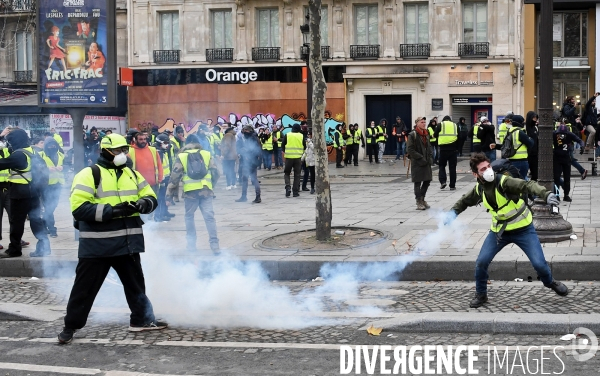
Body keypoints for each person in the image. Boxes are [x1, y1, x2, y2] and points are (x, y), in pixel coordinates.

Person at [59, 133, 166, 344]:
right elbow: (79, 209)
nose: (122, 155)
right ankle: (70, 326)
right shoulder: (89, 174)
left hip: (127, 242)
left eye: (124, 150)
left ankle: (142, 319)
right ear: (106, 151)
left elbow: (151, 196)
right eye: (117, 151)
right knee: (84, 289)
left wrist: (145, 203)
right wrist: (113, 211)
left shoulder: (132, 174)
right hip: (97, 245)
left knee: (135, 285)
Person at [448, 153, 569, 308]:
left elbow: (527, 185)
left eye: (488, 166)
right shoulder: (479, 189)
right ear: (475, 174)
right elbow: (464, 201)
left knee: (539, 264)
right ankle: (481, 294)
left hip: (523, 230)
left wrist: (546, 194)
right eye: (483, 169)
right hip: (499, 232)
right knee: (481, 262)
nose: (488, 170)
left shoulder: (504, 181)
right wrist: (451, 215)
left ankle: (550, 282)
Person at [166, 135, 220, 253]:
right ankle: (215, 245)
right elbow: (216, 172)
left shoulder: (181, 156)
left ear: (187, 143)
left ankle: (191, 245)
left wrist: (169, 195)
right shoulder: (206, 154)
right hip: (206, 191)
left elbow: (174, 177)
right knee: (209, 218)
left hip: (190, 192)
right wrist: (211, 186)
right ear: (197, 142)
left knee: (189, 217)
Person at [407, 117, 433, 210]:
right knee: (417, 182)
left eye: (425, 122)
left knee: (427, 180)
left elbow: (429, 147)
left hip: (426, 162)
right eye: (422, 122)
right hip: (417, 162)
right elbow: (410, 149)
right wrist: (420, 157)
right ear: (417, 123)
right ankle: (418, 201)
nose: (424, 123)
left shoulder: (426, 133)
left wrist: (430, 157)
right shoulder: (412, 134)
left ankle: (422, 199)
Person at [40, 137, 64, 237]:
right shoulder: (40, 155)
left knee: (52, 206)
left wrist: (63, 167)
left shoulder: (60, 154)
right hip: (46, 185)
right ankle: (52, 229)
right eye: (50, 145)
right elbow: (36, 167)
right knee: (48, 207)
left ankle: (44, 224)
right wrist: (46, 169)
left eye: (54, 145)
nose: (52, 147)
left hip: (58, 184)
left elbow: (67, 164)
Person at [553, 124, 584, 202]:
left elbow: (579, 140)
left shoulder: (569, 134)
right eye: (560, 134)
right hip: (557, 159)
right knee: (556, 178)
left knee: (567, 178)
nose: (561, 136)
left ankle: (566, 195)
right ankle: (556, 195)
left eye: (563, 134)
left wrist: (582, 146)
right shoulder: (554, 134)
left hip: (566, 159)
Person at [236, 126, 261, 203]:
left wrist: (248, 156)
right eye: (244, 130)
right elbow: (239, 148)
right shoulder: (244, 138)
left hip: (252, 161)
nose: (244, 132)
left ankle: (258, 197)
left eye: (246, 130)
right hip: (245, 161)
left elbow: (257, 150)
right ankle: (244, 196)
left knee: (254, 179)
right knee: (244, 179)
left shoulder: (253, 138)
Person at [153, 134, 175, 222]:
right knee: (160, 198)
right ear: (160, 142)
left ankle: (165, 212)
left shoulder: (162, 151)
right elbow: (158, 167)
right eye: (165, 143)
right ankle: (159, 215)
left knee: (164, 196)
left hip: (165, 177)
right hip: (161, 179)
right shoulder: (158, 153)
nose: (167, 144)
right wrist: (160, 179)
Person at [505, 115, 533, 180]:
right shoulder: (520, 132)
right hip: (521, 160)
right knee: (522, 180)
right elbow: (531, 143)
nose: (523, 124)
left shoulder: (509, 131)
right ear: (519, 122)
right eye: (523, 122)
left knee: (515, 180)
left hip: (511, 160)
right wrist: (531, 139)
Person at [435, 115, 458, 190]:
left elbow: (435, 135)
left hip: (443, 149)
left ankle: (443, 181)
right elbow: (460, 136)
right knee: (452, 168)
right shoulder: (455, 125)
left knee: (442, 166)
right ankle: (452, 185)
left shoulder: (440, 124)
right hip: (453, 149)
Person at [282, 124, 306, 197]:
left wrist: (285, 152)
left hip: (289, 158)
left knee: (287, 173)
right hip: (298, 158)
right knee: (297, 175)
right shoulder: (301, 136)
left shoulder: (287, 135)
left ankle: (288, 187)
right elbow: (304, 146)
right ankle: (295, 191)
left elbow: (283, 145)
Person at [525, 111, 539, 181]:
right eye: (533, 117)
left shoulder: (535, 128)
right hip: (528, 153)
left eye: (536, 117)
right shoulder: (525, 128)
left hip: (535, 153)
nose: (535, 119)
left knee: (535, 174)